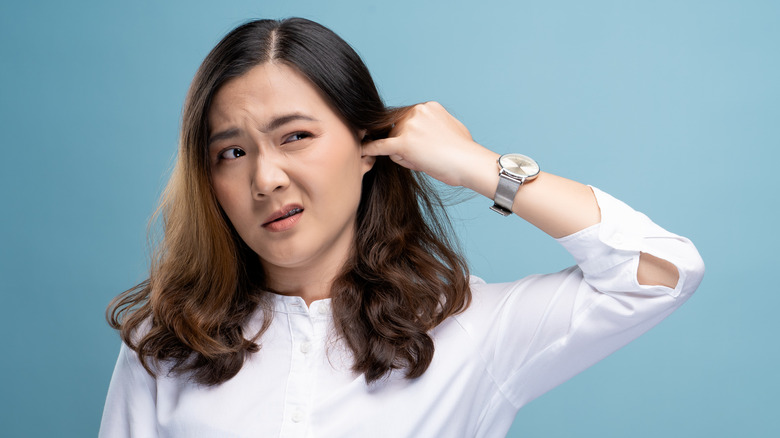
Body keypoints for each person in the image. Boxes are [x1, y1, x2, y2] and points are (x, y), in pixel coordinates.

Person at [99, 17, 704, 437]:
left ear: (368, 146)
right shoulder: (166, 343)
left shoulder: (469, 331)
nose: (266, 178)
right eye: (231, 153)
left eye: (296, 137)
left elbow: (659, 271)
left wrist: (480, 167)